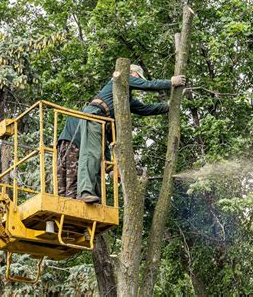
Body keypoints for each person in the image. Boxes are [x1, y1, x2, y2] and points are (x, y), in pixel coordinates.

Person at [57, 64, 186, 203]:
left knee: (97, 157)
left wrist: (168, 106)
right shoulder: (121, 78)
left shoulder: (125, 98)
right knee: (90, 155)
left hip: (101, 122)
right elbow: (147, 85)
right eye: (137, 76)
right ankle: (85, 191)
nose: (136, 79)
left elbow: (144, 109)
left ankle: (92, 194)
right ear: (132, 73)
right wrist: (171, 82)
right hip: (94, 116)